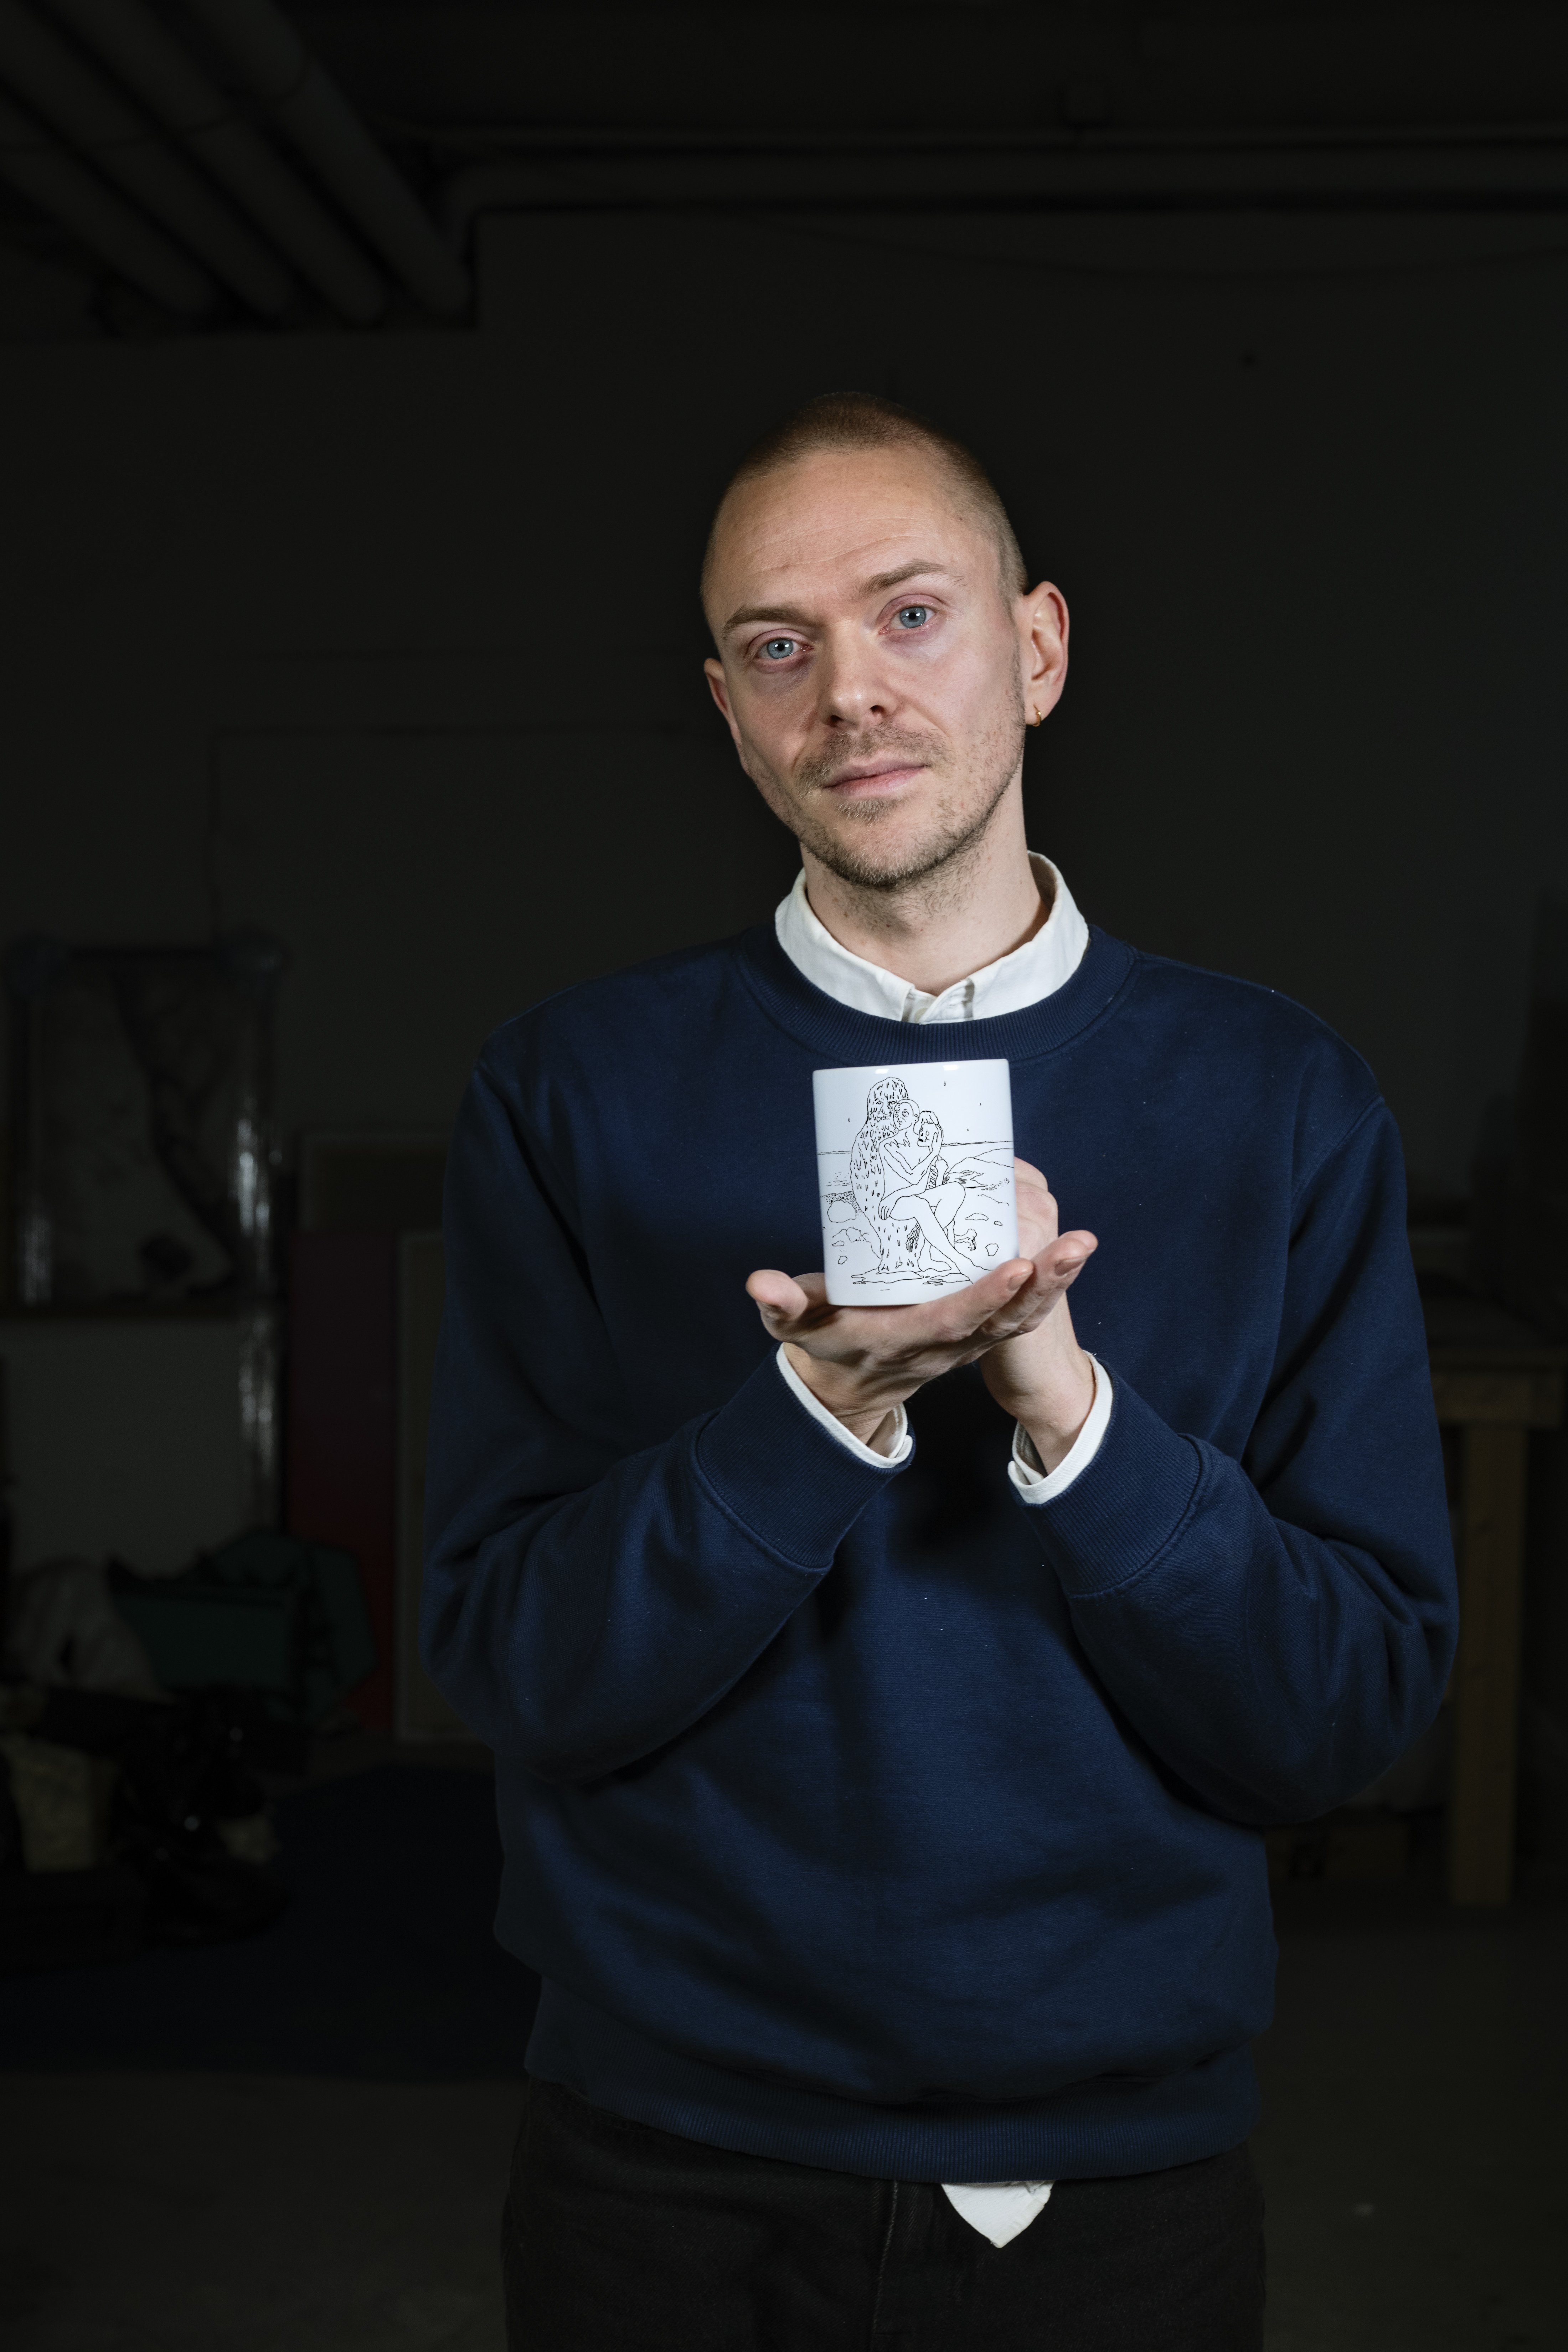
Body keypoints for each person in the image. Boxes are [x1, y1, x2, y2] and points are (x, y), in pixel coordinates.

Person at [422, 391, 1456, 2351]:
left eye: (911, 614)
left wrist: (1069, 1406)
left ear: (1038, 647)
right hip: (663, 2164)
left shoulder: (1281, 1102)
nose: (849, 696)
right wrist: (814, 1415)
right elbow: (516, 1665)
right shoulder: (569, 1095)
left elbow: (1342, 1722)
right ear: (729, 712)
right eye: (777, 645)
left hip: (1113, 2182)